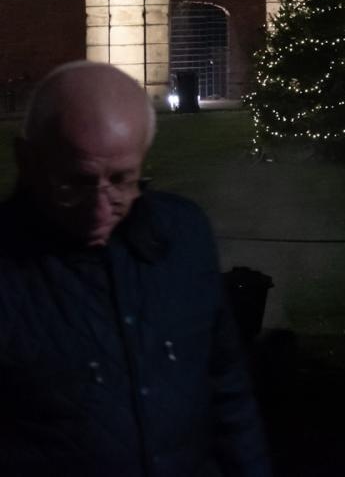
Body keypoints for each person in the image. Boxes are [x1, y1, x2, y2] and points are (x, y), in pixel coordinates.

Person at [0, 61, 270, 476]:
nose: (99, 211)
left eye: (123, 180)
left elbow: (226, 386)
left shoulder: (184, 235)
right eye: (76, 182)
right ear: (27, 161)